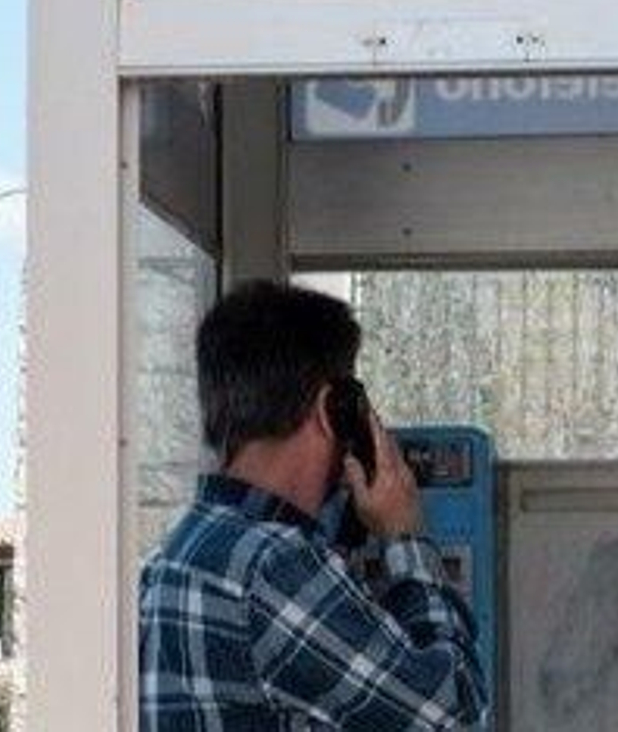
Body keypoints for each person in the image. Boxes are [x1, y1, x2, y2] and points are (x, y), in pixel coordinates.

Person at [139, 280, 489, 730]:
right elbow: (453, 713)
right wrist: (405, 537)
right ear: (334, 408)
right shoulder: (272, 565)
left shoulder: (175, 552)